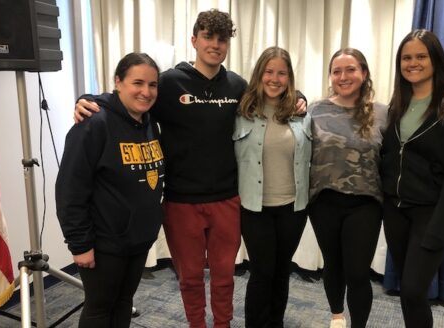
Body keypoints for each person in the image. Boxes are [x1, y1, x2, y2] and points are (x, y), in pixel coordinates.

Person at [73, 9, 306, 328]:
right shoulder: (168, 83)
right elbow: (131, 99)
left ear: (227, 45)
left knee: (225, 278)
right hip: (181, 201)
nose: (215, 44)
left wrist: (301, 97)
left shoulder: (237, 87)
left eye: (222, 39)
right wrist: (88, 99)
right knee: (191, 279)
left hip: (227, 199)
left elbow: (273, 97)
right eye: (208, 37)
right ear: (194, 40)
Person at [379, 29, 444, 328]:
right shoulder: (399, 103)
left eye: (421, 56)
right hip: (395, 210)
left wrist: (439, 228)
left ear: (436, 59)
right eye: (406, 57)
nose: (413, 63)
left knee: (413, 290)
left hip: (430, 213)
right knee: (408, 293)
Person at [56, 52, 164, 327]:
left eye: (152, 85)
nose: (146, 91)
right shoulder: (94, 123)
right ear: (118, 82)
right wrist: (79, 244)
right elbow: (70, 189)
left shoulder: (149, 122)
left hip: (138, 239)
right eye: (137, 82)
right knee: (99, 308)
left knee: (124, 302)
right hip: (104, 242)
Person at [308, 48, 387, 328]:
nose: (343, 76)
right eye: (337, 71)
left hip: (365, 204)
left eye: (350, 69)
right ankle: (337, 316)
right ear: (330, 76)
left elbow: (390, 162)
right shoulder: (315, 110)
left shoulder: (383, 113)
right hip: (323, 202)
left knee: (357, 273)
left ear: (363, 73)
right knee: (333, 265)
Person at [233, 47, 311, 328]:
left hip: (293, 208)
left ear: (289, 77)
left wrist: (301, 98)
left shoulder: (301, 112)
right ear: (259, 74)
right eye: (269, 71)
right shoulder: (242, 110)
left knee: (281, 271)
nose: (275, 78)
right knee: (262, 272)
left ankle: (275, 323)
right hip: (255, 208)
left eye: (282, 73)